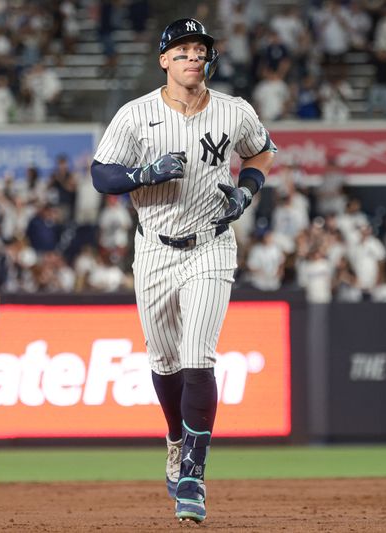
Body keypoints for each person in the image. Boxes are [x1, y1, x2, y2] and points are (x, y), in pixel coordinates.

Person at [90, 18, 276, 524]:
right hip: (153, 247)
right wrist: (142, 174)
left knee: (198, 357)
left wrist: (246, 191)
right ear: (164, 60)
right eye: (183, 49)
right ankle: (176, 439)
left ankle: (192, 472)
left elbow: (261, 151)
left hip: (211, 245)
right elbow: (101, 174)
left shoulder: (233, 111)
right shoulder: (136, 114)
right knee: (164, 362)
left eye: (200, 50)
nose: (194, 57)